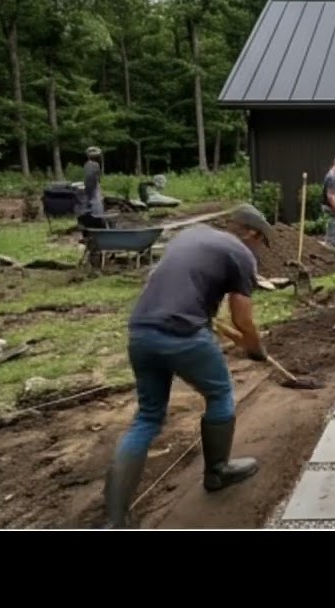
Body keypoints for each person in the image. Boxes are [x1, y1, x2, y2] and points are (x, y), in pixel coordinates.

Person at [102, 204, 274, 529]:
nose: (259, 249)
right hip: (182, 334)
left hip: (140, 331)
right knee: (221, 394)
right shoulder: (242, 254)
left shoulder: (191, 235)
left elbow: (171, 282)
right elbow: (242, 319)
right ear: (252, 233)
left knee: (147, 418)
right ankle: (217, 472)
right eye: (261, 241)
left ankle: (115, 518)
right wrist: (255, 347)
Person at [83, 147, 104, 217]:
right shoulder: (95, 165)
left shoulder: (86, 164)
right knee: (96, 201)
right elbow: (96, 176)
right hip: (93, 185)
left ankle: (88, 214)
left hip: (88, 185)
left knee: (88, 200)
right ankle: (98, 216)